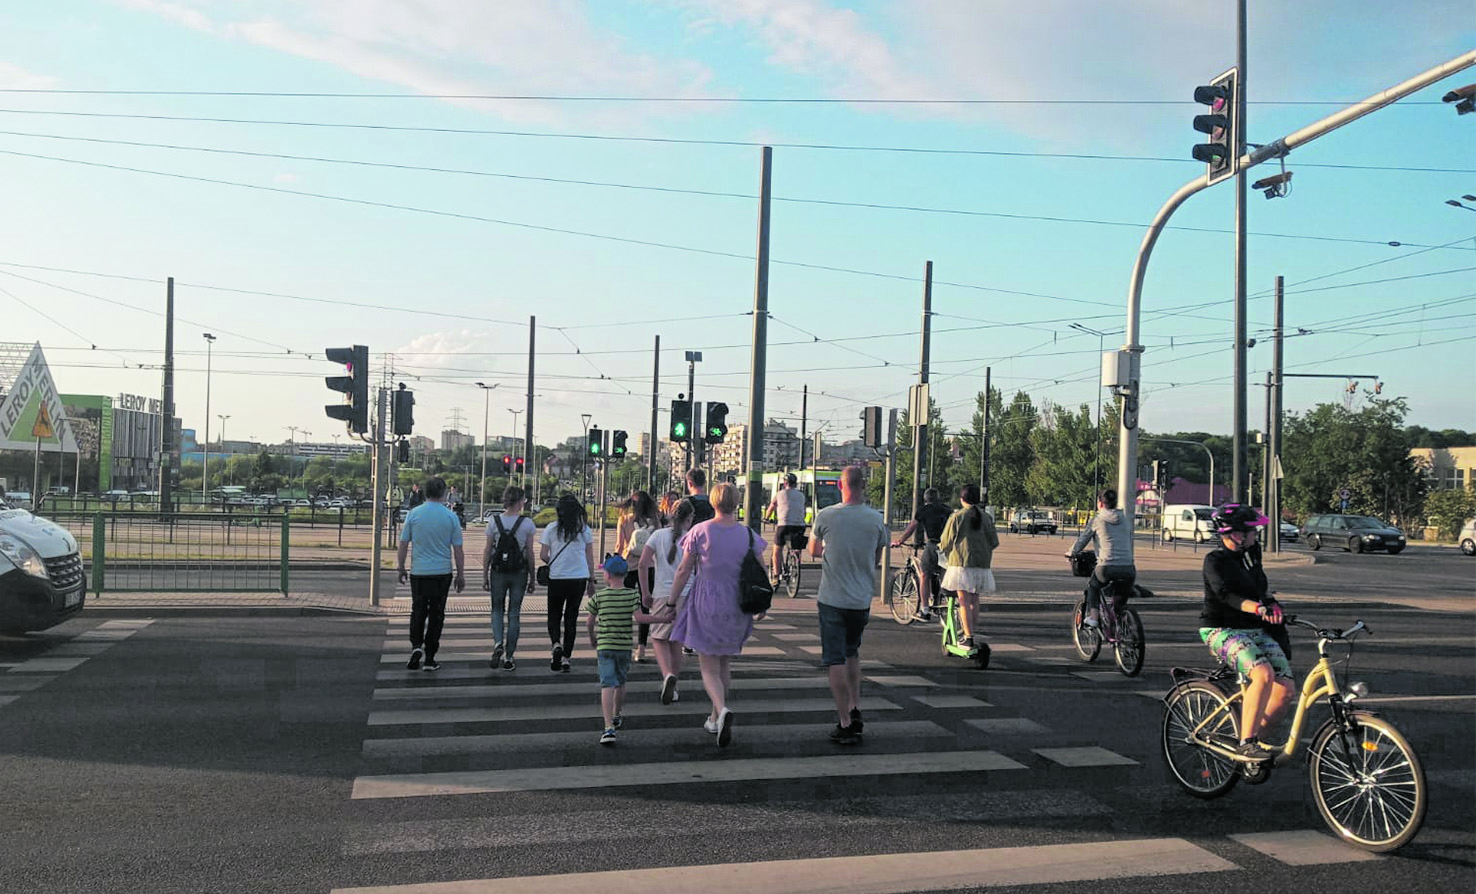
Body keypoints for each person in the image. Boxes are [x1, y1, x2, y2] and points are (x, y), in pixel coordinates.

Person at [669, 482, 766, 748]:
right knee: (724, 663)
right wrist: (763, 605)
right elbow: (761, 570)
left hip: (707, 601)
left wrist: (671, 600)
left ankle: (721, 709)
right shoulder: (747, 534)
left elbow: (683, 571)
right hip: (737, 603)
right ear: (736, 503)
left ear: (712, 502)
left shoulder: (701, 531)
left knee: (708, 666)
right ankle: (714, 718)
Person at [1200, 503, 1296, 761]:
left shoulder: (1252, 554)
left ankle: (1251, 742)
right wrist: (1257, 608)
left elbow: (1260, 587)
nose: (1256, 534)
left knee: (1285, 689)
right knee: (1263, 674)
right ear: (1236, 534)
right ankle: (1246, 742)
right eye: (1252, 530)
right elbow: (1225, 595)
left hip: (1254, 628)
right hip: (1220, 628)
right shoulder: (1215, 561)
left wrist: (1270, 602)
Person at [808, 465, 888, 745]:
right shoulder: (876, 519)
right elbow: (877, 558)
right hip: (860, 600)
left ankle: (844, 722)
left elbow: (813, 551)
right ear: (863, 486)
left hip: (832, 599)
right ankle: (855, 706)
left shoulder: (827, 515)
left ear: (840, 487)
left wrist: (832, 548)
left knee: (835, 659)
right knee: (853, 652)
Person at [585, 554, 671, 745]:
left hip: (605, 646)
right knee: (620, 683)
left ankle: (608, 727)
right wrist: (663, 619)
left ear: (606, 575)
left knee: (607, 684)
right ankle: (617, 714)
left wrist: (593, 638)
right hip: (624, 648)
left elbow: (589, 621)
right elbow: (641, 619)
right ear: (625, 575)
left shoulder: (600, 596)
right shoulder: (632, 595)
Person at [396, 476, 466, 673]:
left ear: (425, 492)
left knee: (418, 610)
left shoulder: (414, 514)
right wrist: (461, 575)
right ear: (444, 494)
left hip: (419, 571)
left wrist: (401, 567)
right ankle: (430, 657)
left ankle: (416, 646)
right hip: (442, 572)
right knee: (437, 614)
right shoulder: (450, 517)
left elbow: (403, 544)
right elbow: (458, 550)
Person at [638, 497, 696, 705]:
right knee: (677, 640)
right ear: (690, 518)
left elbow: (643, 564)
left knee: (658, 638)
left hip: (662, 592)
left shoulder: (657, 535)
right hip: (687, 593)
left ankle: (667, 675)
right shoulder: (693, 537)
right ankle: (675, 684)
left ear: (671, 514)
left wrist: (645, 592)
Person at [937, 484, 999, 650]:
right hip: (982, 564)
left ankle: (968, 637)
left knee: (963, 600)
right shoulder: (986, 517)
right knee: (974, 600)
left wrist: (944, 551)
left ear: (962, 499)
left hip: (962, 563)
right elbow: (994, 542)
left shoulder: (957, 516)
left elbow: (945, 542)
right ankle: (970, 632)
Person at [541, 494, 596, 674]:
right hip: (579, 577)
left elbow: (543, 555)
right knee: (571, 618)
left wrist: (554, 562)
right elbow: (589, 557)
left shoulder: (551, 528)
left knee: (554, 615)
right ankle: (566, 658)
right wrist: (591, 579)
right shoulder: (584, 530)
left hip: (557, 577)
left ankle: (556, 644)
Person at [1067, 488, 1136, 627]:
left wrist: (1071, 552)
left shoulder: (1097, 520)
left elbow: (1082, 540)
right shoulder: (1125, 520)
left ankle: (1093, 617)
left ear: (1100, 503)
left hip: (1106, 566)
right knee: (1121, 596)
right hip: (1129, 567)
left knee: (1093, 586)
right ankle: (1121, 621)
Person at [484, 485, 535, 670]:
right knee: (514, 613)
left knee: (497, 609)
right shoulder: (527, 523)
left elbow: (488, 551)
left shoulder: (493, 521)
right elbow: (529, 553)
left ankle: (498, 643)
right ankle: (509, 656)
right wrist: (532, 577)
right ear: (520, 501)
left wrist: (484, 575)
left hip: (498, 571)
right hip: (519, 572)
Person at [891, 487, 952, 620]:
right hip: (948, 547)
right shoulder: (948, 510)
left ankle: (925, 610)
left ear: (925, 500)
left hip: (933, 545)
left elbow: (912, 528)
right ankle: (941, 600)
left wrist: (900, 540)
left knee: (924, 575)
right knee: (943, 574)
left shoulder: (923, 510)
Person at [615, 490, 661, 662]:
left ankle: (623, 644)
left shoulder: (624, 519)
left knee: (625, 606)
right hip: (648, 567)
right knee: (645, 607)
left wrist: (614, 564)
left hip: (628, 566)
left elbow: (620, 545)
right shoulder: (654, 521)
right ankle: (641, 648)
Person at [765, 472, 808, 580]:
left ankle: (776, 575)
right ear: (795, 484)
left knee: (777, 549)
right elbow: (803, 511)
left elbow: (772, 506)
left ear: (785, 483)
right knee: (796, 545)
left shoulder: (779, 494)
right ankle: (795, 561)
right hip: (800, 525)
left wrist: (766, 518)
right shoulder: (801, 495)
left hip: (784, 525)